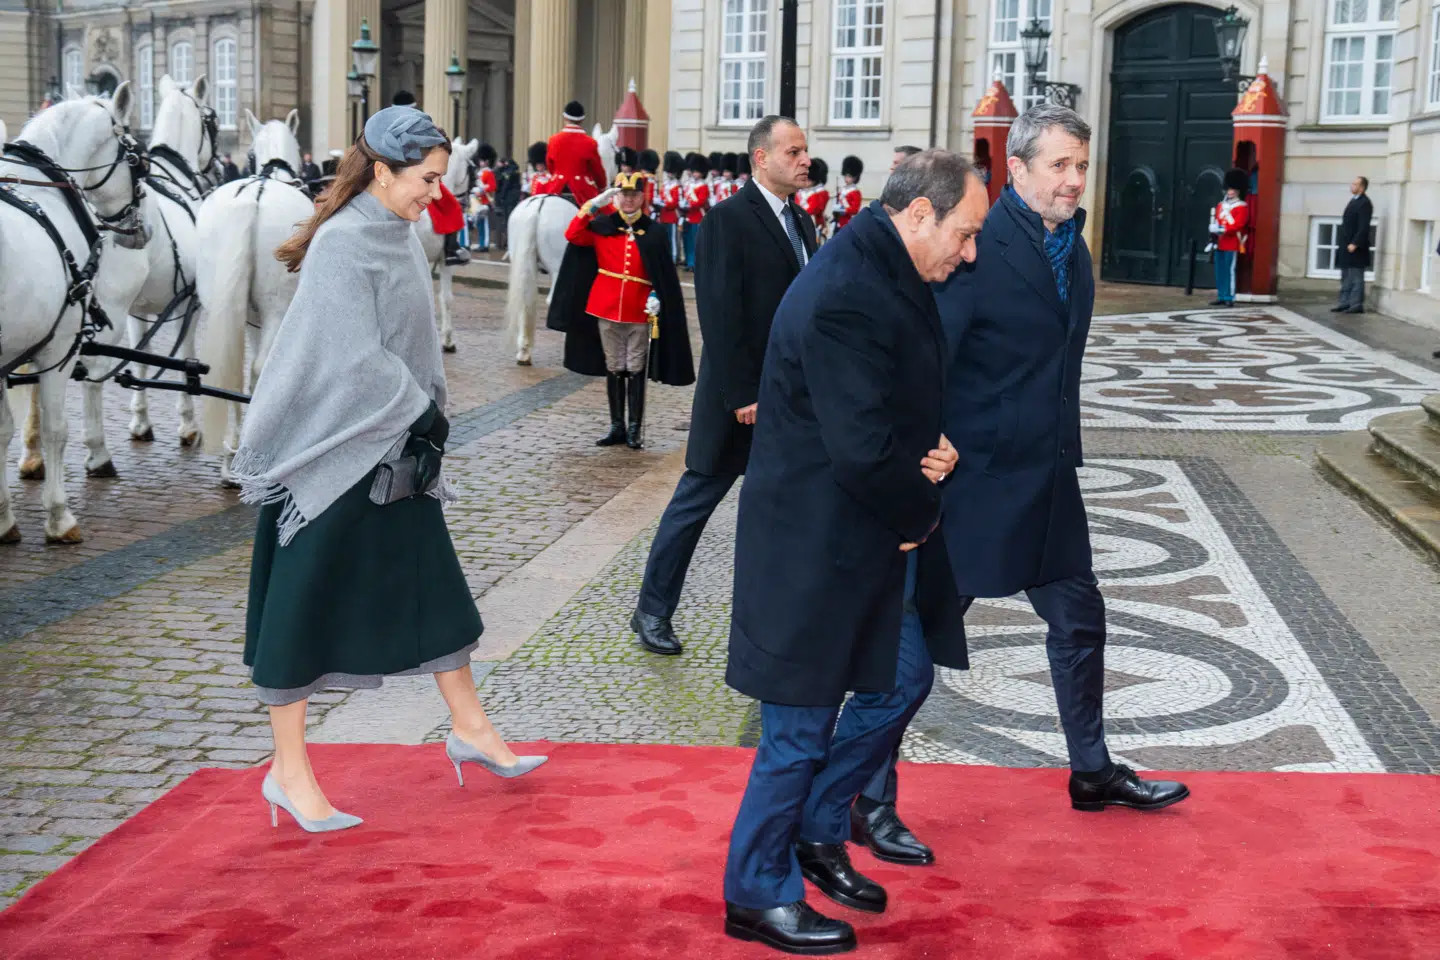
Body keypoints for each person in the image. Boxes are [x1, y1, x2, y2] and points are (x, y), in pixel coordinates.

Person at [238, 105, 546, 834]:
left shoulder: (400, 232)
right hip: (335, 455)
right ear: (381, 169)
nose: (435, 193)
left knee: (434, 588)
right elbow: (350, 356)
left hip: (395, 446)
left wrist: (420, 416)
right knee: (299, 608)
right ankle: (287, 772)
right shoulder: (346, 243)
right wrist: (418, 407)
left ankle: (470, 728)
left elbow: (401, 346)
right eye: (426, 179)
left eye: (441, 179)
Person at [896, 104, 1189, 844]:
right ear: (1017, 169)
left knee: (1079, 618)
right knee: (922, 642)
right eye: (1058, 165)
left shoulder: (1075, 249)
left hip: (1049, 475)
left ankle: (1091, 770)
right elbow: (929, 351)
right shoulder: (977, 246)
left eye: (1082, 165)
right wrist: (920, 446)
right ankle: (864, 790)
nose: (1074, 180)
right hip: (975, 481)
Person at [721, 150, 984, 955]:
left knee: (903, 677)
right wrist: (921, 503)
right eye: (965, 234)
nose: (969, 253)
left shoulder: (880, 265)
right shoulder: (848, 292)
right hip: (814, 547)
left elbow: (876, 406)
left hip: (860, 535)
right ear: (918, 216)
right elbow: (859, 447)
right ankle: (754, 893)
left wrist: (927, 447)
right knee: (796, 731)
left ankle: (815, 830)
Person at [630, 116, 816, 657]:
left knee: (789, 509)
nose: (805, 160)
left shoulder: (802, 224)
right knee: (694, 502)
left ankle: (785, 617)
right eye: (794, 151)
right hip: (739, 400)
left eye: (805, 151)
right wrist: (742, 395)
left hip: (789, 400)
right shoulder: (726, 220)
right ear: (762, 157)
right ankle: (652, 610)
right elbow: (718, 313)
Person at [545, 172, 695, 449]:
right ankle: (617, 426)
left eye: (634, 195)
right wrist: (592, 204)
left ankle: (635, 427)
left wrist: (656, 294)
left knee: (635, 367)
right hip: (606, 306)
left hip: (640, 309)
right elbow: (573, 234)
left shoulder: (654, 230)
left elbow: (662, 271)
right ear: (616, 197)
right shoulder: (602, 225)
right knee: (615, 367)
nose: (628, 200)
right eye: (623, 195)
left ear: (642, 197)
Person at [389, 90, 469, 265]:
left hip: (387, 177)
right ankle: (451, 249)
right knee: (451, 206)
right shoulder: (421, 126)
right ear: (413, 107)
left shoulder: (386, 125)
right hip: (415, 176)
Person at [546, 100, 607, 205]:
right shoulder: (590, 142)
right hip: (582, 190)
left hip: (556, 187)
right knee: (603, 215)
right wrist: (602, 187)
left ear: (565, 118)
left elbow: (550, 166)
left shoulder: (553, 139)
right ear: (582, 120)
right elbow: (597, 170)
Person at [1208, 168, 1250, 308]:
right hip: (1220, 242)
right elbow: (1218, 220)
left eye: (1233, 189)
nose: (1230, 191)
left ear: (1238, 190)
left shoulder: (1242, 207)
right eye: (1229, 188)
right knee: (1220, 270)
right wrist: (1214, 229)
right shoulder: (1221, 205)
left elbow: (1238, 225)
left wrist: (1222, 229)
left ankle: (1229, 296)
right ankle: (1221, 294)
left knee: (1229, 270)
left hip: (1232, 243)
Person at [1333, 175, 1373, 315]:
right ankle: (1345, 302)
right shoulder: (1353, 200)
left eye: (1355, 184)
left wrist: (1355, 243)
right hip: (1345, 244)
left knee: (1356, 277)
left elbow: (1363, 226)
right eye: (1352, 184)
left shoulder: (1365, 203)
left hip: (1355, 247)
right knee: (1345, 276)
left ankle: (1356, 304)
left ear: (1362, 188)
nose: (1352, 186)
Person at [680, 152, 709, 270]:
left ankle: (696, 263)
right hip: (688, 216)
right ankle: (689, 261)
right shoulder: (688, 185)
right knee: (687, 241)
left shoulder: (703, 186)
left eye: (697, 171)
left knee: (696, 242)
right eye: (694, 171)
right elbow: (684, 197)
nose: (694, 173)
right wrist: (683, 203)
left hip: (697, 217)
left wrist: (689, 204)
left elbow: (701, 201)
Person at [470, 142, 498, 252]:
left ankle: (485, 244)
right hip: (477, 200)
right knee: (480, 225)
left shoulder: (489, 172)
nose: (481, 162)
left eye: (483, 160)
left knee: (484, 224)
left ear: (487, 161)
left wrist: (482, 189)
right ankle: (481, 243)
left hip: (484, 200)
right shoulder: (479, 172)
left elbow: (492, 186)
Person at [659, 151, 684, 263]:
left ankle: (673, 257)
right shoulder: (665, 184)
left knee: (673, 238)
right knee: (664, 237)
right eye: (668, 172)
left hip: (672, 215)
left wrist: (664, 203)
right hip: (664, 214)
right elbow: (662, 195)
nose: (669, 174)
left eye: (671, 172)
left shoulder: (677, 185)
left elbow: (675, 202)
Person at [799, 157, 830, 240]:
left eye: (810, 179)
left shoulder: (821, 193)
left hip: (815, 224)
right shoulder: (800, 192)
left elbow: (816, 209)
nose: (807, 181)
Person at [832, 155, 863, 230]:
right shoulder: (842, 190)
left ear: (855, 177)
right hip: (839, 221)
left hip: (848, 222)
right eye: (845, 176)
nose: (846, 178)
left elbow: (855, 209)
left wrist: (844, 210)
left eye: (849, 176)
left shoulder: (856, 192)